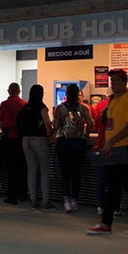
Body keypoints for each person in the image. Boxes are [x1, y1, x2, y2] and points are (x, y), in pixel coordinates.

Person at [87, 69, 128, 236]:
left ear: (124, 82)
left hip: (126, 152)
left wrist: (111, 141)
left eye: (116, 81)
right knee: (117, 188)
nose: (113, 84)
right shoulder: (113, 101)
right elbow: (110, 125)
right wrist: (107, 142)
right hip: (115, 151)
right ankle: (107, 223)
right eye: (112, 81)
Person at [53, 83, 93, 213]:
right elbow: (91, 123)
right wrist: (86, 134)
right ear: (78, 95)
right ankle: (75, 199)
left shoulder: (60, 108)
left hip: (63, 142)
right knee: (76, 172)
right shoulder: (83, 108)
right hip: (78, 142)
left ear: (66, 94)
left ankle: (66, 200)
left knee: (65, 172)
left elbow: (56, 124)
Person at [17, 84, 56, 210]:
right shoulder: (41, 107)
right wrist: (51, 133)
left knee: (31, 170)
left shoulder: (24, 107)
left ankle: (33, 200)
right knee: (44, 171)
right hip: (39, 139)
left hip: (25, 140)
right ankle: (45, 201)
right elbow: (47, 122)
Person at [0, 82, 27, 205]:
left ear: (8, 91)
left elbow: (0, 123)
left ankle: (12, 196)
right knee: (22, 167)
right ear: (19, 91)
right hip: (22, 139)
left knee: (11, 168)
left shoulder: (4, 104)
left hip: (9, 138)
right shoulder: (24, 104)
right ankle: (22, 194)